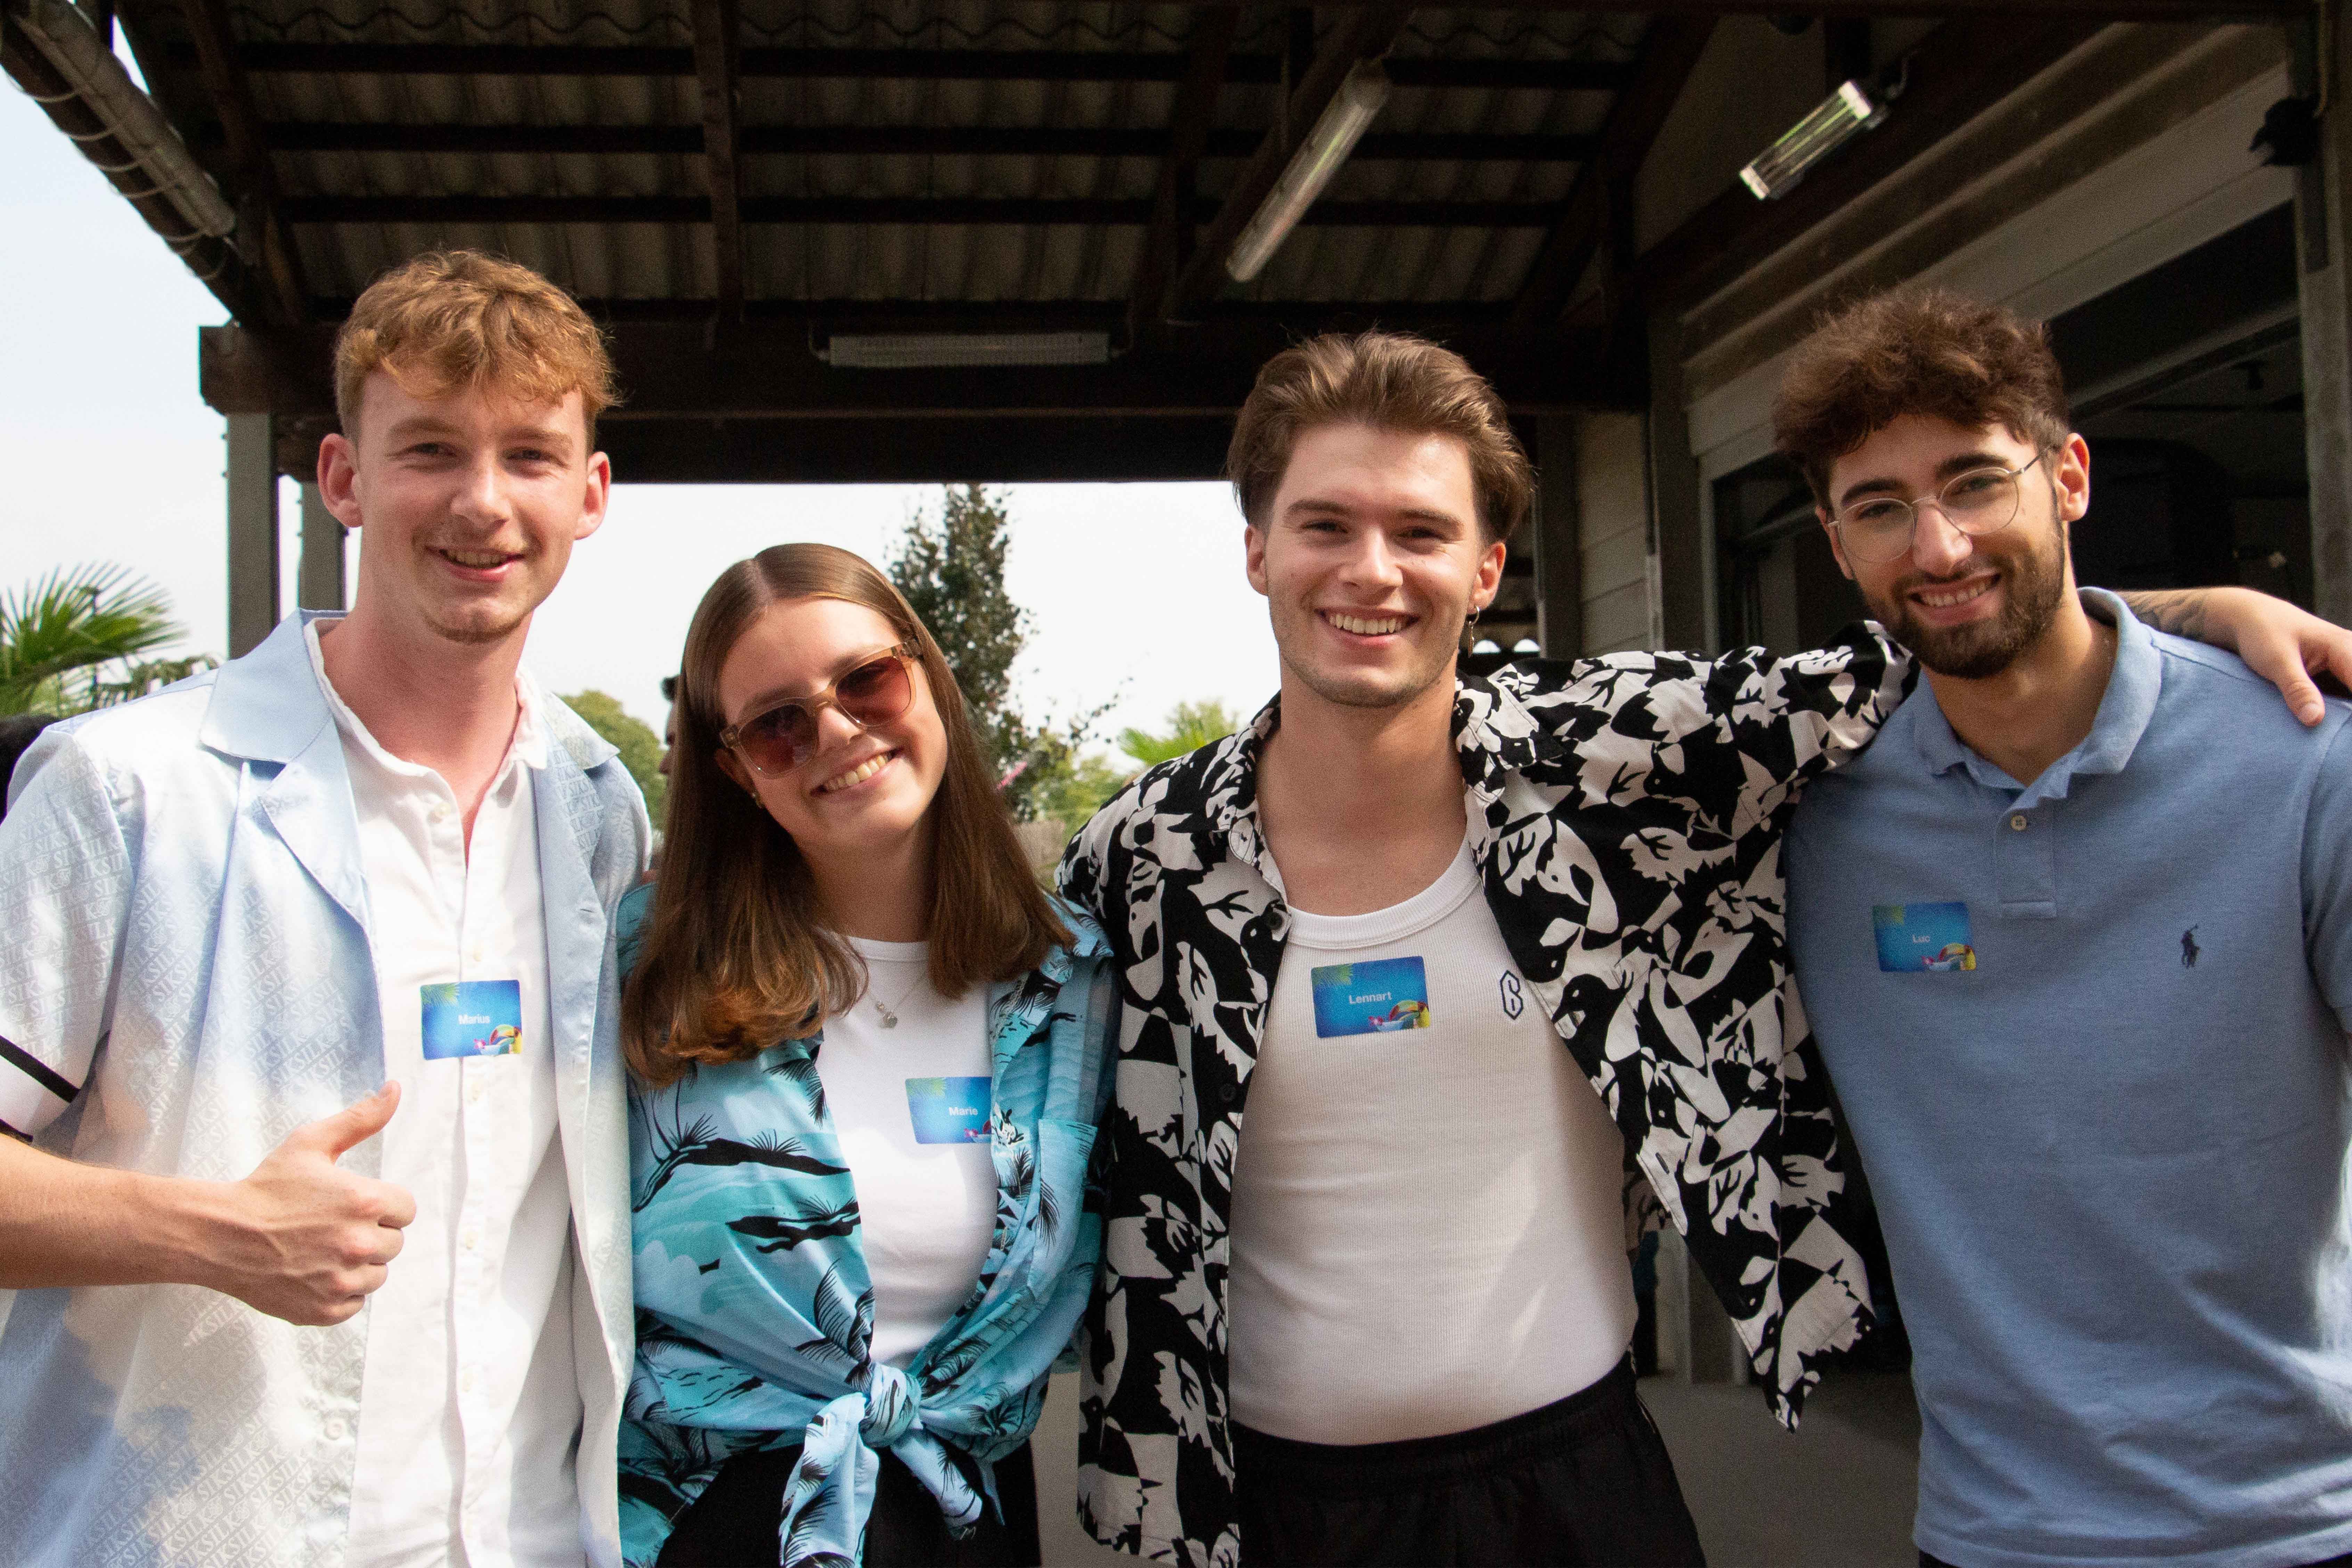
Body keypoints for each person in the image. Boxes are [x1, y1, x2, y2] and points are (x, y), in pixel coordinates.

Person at [1054, 330, 2352, 1566]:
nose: (1371, 571)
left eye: (1422, 532)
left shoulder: (1615, 771)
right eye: (1326, 525)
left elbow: (1943, 640)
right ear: (1256, 553)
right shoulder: (1141, 860)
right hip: (1266, 1506)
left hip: (1579, 1483)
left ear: (1490, 568)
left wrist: (2196, 615)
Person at [0, 250, 647, 1567]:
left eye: (530, 456)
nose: (482, 503)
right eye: (429, 452)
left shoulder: (595, 807)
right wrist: (215, 1233)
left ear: (589, 497)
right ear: (344, 480)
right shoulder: (126, 790)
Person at [1781, 289, 2352, 1568]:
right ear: (1835, 542)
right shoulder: (1805, 807)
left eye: (1976, 483)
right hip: (1991, 1533)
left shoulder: (2308, 761)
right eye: (1881, 507)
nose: (1936, 546)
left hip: (2301, 1525)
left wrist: (2196, 619)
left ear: (2070, 477)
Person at [611, 544, 1118, 1568]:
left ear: (926, 676)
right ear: (736, 771)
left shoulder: (1070, 984)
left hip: (962, 1523)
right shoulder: (639, 971)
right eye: (778, 724)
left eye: (867, 680)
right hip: (713, 1531)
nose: (837, 732)